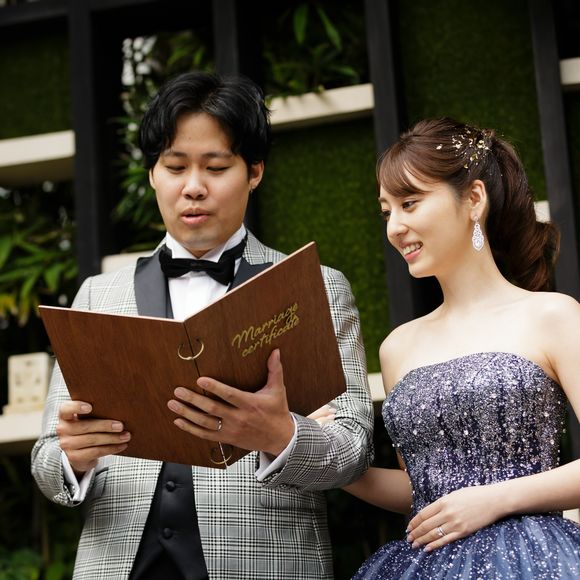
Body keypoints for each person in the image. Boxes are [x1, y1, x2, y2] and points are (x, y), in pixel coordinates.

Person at [31, 71, 374, 580]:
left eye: (216, 167)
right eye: (175, 167)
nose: (193, 187)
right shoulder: (97, 296)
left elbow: (354, 447)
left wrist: (281, 434)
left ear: (254, 171)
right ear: (153, 174)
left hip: (263, 563)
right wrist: (72, 459)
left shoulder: (314, 287)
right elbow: (47, 458)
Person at [344, 117, 580, 578]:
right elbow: (421, 489)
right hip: (426, 563)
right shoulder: (398, 347)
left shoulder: (553, 316)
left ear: (474, 199)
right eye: (387, 212)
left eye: (409, 203)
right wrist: (320, 457)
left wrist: (495, 499)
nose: (395, 227)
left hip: (535, 560)